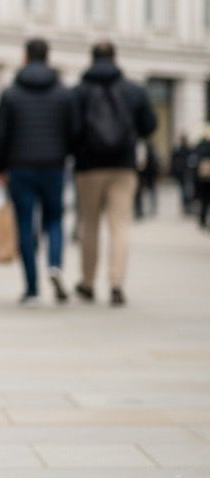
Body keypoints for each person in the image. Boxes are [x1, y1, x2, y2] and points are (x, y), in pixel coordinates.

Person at [71, 41, 157, 306]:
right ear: (115, 58)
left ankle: (87, 282)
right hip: (123, 167)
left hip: (88, 167)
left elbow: (71, 129)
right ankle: (116, 284)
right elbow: (150, 125)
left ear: (92, 58)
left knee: (89, 224)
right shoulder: (133, 90)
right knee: (120, 225)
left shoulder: (79, 91)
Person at [0, 39, 73, 306]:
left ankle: (32, 289)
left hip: (20, 166)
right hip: (54, 166)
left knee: (25, 223)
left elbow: (0, 134)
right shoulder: (62, 92)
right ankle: (55, 265)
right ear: (48, 57)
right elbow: (74, 129)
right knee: (55, 219)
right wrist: (65, 155)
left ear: (25, 57)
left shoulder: (11, 92)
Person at [133, 139, 159, 219]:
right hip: (137, 172)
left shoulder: (148, 146)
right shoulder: (134, 145)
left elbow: (153, 161)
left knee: (151, 190)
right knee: (137, 192)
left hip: (149, 173)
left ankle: (152, 207)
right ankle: (139, 210)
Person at [170, 134, 194, 215]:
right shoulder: (179, 150)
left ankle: (187, 206)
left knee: (187, 190)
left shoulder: (187, 149)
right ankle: (186, 206)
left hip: (186, 173)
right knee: (184, 190)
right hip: (182, 173)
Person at [192, 126, 210, 229]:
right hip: (204, 178)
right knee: (205, 199)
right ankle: (203, 219)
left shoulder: (199, 147)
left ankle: (202, 219)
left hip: (201, 178)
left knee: (203, 199)